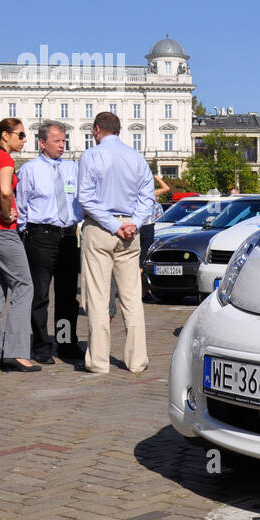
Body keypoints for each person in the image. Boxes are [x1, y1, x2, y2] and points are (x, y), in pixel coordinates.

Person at [78, 112, 154, 375]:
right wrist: (133, 223)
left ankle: (99, 361)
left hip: (101, 229)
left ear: (97, 130)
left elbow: (85, 198)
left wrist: (113, 225)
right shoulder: (136, 157)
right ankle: (137, 360)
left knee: (98, 296)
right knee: (132, 297)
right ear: (119, 130)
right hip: (130, 232)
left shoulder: (91, 155)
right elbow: (148, 198)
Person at [17, 121, 84, 364]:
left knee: (67, 296)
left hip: (68, 236)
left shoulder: (72, 169)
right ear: (42, 143)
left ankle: (66, 343)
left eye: (64, 140)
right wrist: (26, 233)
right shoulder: (30, 170)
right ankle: (42, 345)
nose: (61, 145)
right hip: (41, 236)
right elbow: (22, 205)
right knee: (40, 295)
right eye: (56, 141)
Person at [0, 119, 39, 372]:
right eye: (21, 135)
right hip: (1, 229)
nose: (24, 140)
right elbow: (4, 192)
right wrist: (5, 213)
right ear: (5, 135)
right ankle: (16, 351)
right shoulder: (5, 160)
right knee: (23, 285)